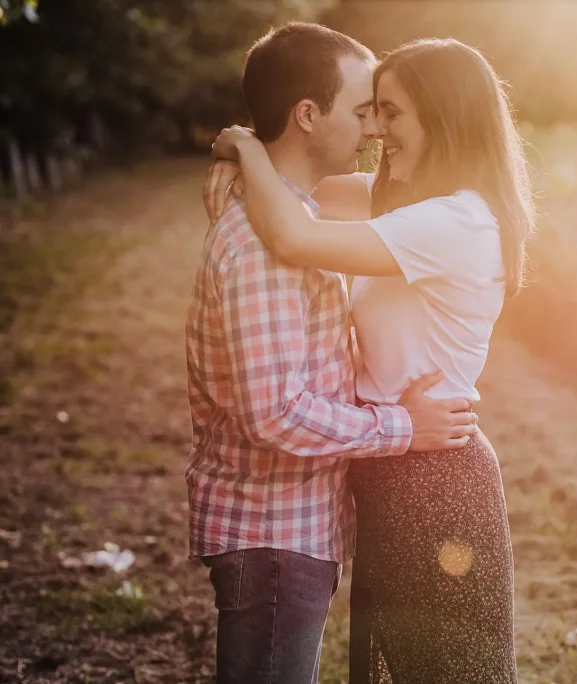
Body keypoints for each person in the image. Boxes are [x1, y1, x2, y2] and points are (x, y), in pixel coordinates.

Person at [204, 35, 535, 683]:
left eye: (392, 112)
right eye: (372, 110)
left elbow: (294, 234)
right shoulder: (403, 204)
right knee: (387, 667)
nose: (377, 130)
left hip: (435, 475)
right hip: (390, 466)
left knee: (444, 671)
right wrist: (243, 165)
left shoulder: (457, 222)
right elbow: (299, 184)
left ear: (444, 116)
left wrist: (242, 146)